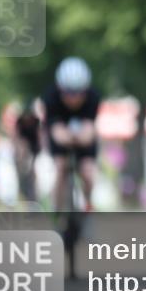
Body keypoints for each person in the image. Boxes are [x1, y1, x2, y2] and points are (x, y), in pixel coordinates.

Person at [44, 57, 100, 212]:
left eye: (78, 93)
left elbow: (89, 131)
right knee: (60, 168)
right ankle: (57, 211)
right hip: (61, 137)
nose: (73, 98)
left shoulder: (93, 97)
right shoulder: (51, 97)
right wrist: (69, 136)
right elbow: (56, 131)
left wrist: (80, 136)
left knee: (88, 172)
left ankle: (88, 204)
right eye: (68, 92)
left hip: (83, 138)